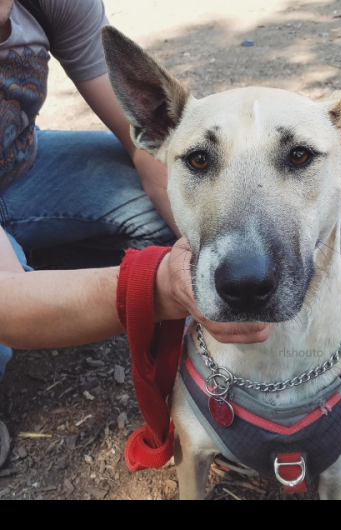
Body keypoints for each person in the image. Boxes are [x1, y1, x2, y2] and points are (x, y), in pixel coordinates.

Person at [0, 0, 273, 383]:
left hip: (22, 165)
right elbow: (5, 304)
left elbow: (149, 152)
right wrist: (162, 287)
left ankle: (43, 266)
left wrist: (220, 257)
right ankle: (41, 285)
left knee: (184, 194)